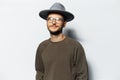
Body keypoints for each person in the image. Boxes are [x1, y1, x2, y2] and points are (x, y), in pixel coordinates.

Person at [35, 2, 88, 80]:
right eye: (50, 19)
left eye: (58, 19)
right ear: (46, 22)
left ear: (64, 24)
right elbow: (39, 73)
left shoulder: (75, 46)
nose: (53, 22)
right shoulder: (42, 47)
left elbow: (82, 75)